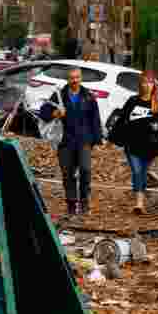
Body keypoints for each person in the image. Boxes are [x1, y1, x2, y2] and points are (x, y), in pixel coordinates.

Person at [39, 68, 103, 216]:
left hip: (84, 140)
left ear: (81, 78)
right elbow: (43, 113)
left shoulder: (88, 96)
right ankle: (71, 203)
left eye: (77, 78)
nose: (74, 81)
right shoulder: (59, 95)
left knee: (85, 170)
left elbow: (95, 119)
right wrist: (55, 113)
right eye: (71, 78)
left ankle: (84, 201)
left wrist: (96, 139)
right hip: (65, 141)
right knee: (68, 173)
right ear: (67, 79)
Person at [109, 71, 158, 214]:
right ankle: (139, 204)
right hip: (132, 144)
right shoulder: (133, 101)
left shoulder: (157, 104)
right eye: (144, 82)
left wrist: (156, 127)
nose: (147, 85)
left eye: (150, 83)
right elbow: (121, 120)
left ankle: (140, 196)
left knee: (142, 172)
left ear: (153, 85)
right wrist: (113, 138)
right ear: (140, 84)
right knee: (137, 171)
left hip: (149, 146)